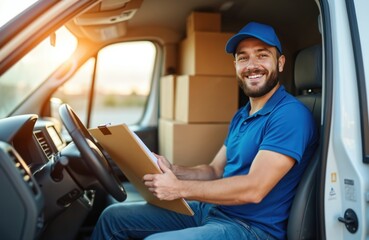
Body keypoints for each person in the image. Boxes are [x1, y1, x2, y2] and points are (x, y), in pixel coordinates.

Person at [91, 21, 319, 240]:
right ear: (236, 66)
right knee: (113, 218)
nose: (251, 65)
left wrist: (178, 189)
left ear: (280, 63)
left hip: (250, 229)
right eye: (243, 58)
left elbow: (254, 188)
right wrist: (174, 170)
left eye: (262, 55)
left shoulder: (290, 115)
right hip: (212, 210)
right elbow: (213, 170)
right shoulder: (242, 114)